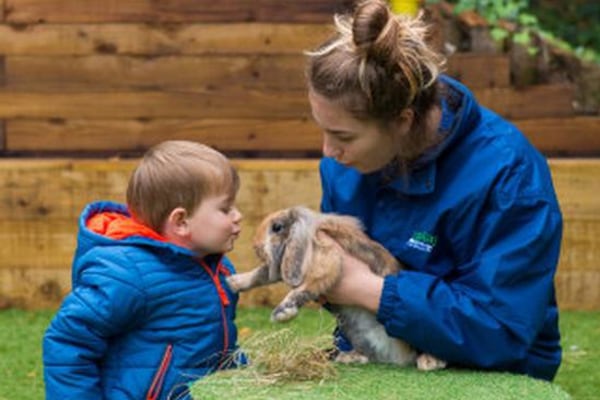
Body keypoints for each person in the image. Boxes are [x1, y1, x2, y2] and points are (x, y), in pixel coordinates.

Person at [306, 0, 562, 381]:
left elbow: (503, 329)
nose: (328, 152)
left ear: (403, 120)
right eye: (323, 129)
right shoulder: (344, 168)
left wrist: (368, 289)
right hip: (379, 350)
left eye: (342, 136)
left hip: (495, 367)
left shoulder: (510, 175)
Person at [43, 140, 245, 399]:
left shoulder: (215, 268)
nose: (238, 215)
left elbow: (210, 343)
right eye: (226, 208)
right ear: (181, 221)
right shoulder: (129, 275)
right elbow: (67, 341)